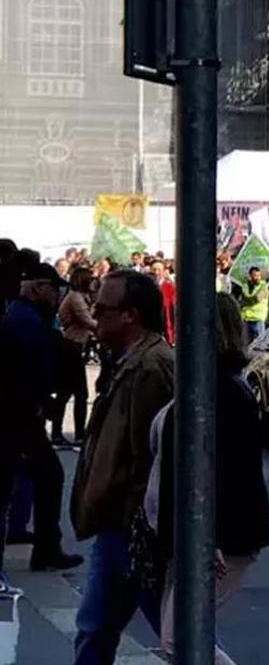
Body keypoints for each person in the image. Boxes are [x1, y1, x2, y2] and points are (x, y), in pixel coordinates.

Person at [147, 293, 269, 663]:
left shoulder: (220, 390)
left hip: (216, 537)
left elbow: (226, 472)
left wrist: (209, 537)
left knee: (179, 637)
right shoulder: (209, 383)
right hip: (191, 534)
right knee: (181, 634)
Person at [71, 270, 174, 664]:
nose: (96, 317)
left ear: (130, 315)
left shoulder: (150, 368)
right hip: (119, 526)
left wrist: (140, 526)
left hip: (133, 530)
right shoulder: (131, 361)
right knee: (94, 631)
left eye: (103, 310)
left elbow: (149, 457)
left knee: (177, 637)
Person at [0, 263, 85, 593]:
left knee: (42, 477)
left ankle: (47, 548)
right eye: (52, 288)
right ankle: (47, 549)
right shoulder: (24, 322)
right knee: (45, 476)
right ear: (37, 287)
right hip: (18, 415)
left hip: (20, 414)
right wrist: (41, 405)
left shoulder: (25, 317)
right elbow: (23, 372)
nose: (56, 294)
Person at [54, 266, 97, 445]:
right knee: (77, 393)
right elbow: (87, 320)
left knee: (70, 392)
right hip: (71, 347)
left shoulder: (81, 297)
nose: (94, 282)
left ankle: (63, 432)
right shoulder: (76, 298)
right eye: (91, 279)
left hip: (75, 346)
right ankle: (77, 434)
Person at [232, 266, 269, 342]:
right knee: (246, 343)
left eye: (258, 275)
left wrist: (244, 300)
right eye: (255, 275)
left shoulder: (263, 287)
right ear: (250, 276)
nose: (257, 278)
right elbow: (239, 300)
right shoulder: (245, 286)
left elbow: (256, 299)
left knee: (259, 343)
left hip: (258, 319)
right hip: (246, 319)